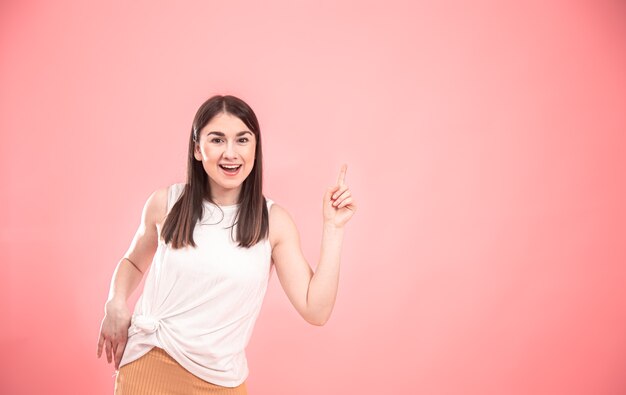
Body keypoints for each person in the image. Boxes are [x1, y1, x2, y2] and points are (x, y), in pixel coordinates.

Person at [96, 95, 357, 394]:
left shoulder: (273, 222)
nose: (230, 154)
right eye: (217, 140)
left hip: (222, 382)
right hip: (149, 367)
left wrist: (333, 229)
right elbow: (132, 262)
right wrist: (115, 302)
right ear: (197, 148)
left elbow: (316, 310)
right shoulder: (165, 203)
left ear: (256, 148)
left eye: (242, 140)